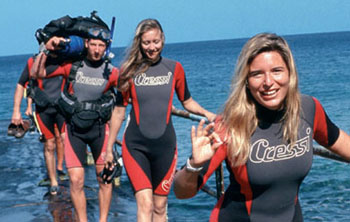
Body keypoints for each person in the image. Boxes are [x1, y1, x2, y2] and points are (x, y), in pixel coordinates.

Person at [173, 33, 350, 222]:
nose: (268, 82)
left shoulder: (309, 109)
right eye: (257, 74)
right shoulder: (230, 125)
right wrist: (194, 164)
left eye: (276, 70)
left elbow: (341, 143)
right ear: (246, 81)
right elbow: (182, 192)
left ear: (290, 73)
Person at [105, 18, 216, 222]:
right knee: (145, 205)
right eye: (147, 42)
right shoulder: (128, 72)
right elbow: (119, 111)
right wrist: (109, 147)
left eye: (155, 41)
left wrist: (208, 114)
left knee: (159, 206)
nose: (152, 47)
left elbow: (187, 101)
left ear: (162, 40)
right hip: (135, 146)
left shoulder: (175, 68)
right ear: (140, 42)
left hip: (165, 147)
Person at [35, 28, 119, 222]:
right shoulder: (72, 67)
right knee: (76, 180)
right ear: (87, 44)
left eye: (101, 45)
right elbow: (37, 73)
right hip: (74, 130)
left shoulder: (113, 73)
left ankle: (103, 220)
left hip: (99, 130)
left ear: (106, 47)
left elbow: (123, 102)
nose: (97, 50)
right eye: (94, 44)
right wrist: (45, 50)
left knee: (105, 180)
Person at [11, 54, 68, 195]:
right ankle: (53, 181)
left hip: (62, 108)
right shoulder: (33, 62)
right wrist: (16, 111)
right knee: (49, 144)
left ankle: (64, 170)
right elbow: (21, 84)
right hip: (43, 110)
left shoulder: (66, 59)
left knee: (64, 139)